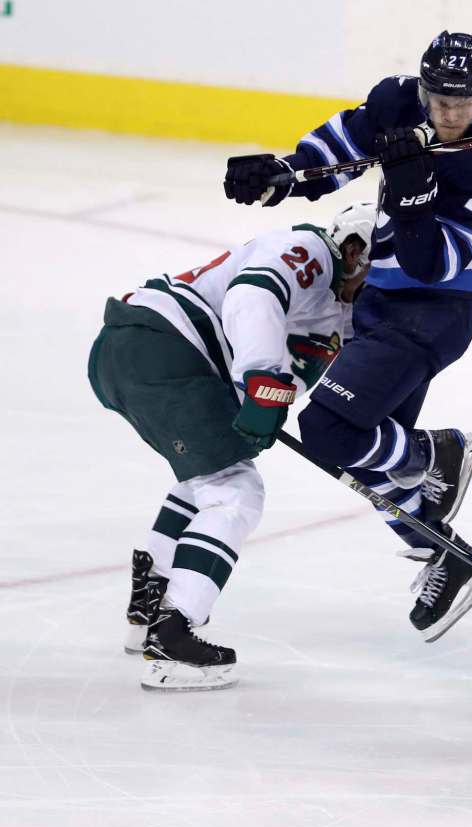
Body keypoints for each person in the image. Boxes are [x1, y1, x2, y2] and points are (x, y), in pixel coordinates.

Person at [222, 31, 472, 638]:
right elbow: (335, 155)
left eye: (463, 103)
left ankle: (439, 454)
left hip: (433, 312)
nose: (450, 113)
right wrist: (281, 174)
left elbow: (433, 265)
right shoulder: (395, 103)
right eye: (439, 99)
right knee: (373, 454)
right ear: (422, 88)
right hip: (381, 306)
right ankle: (446, 555)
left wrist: (413, 190)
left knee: (329, 430)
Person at [88, 203, 376, 691]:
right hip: (162, 344)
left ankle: (151, 605)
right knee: (235, 491)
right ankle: (173, 634)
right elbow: (252, 296)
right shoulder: (309, 250)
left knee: (209, 476)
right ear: (353, 249)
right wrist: (261, 378)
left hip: (141, 353)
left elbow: (297, 368)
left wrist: (263, 399)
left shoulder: (338, 309)